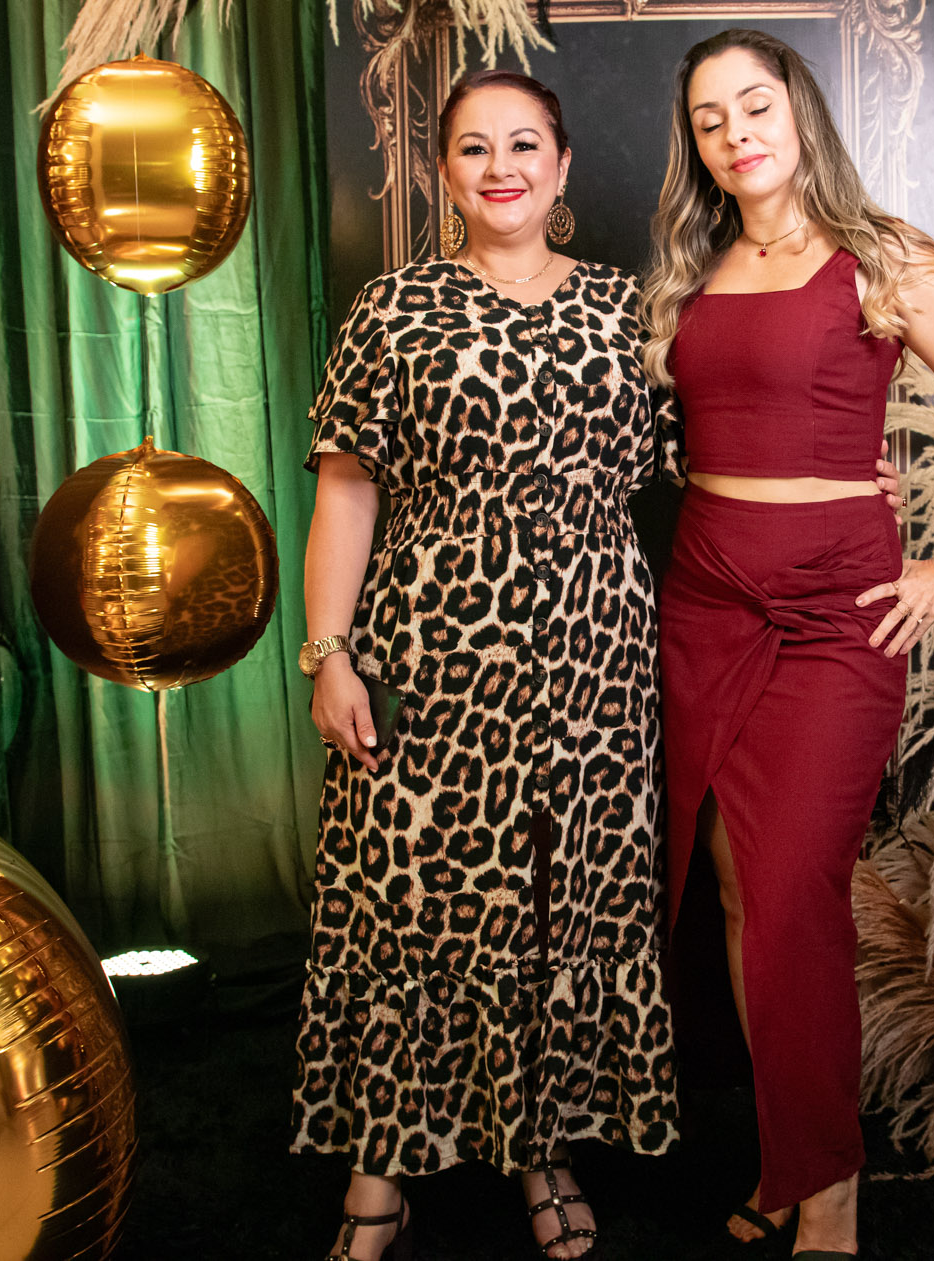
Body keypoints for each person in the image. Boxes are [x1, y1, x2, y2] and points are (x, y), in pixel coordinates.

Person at [642, 28, 934, 1259]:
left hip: (832, 615)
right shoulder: (690, 269)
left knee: (792, 893)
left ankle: (830, 1190)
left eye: (754, 105)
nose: (735, 133)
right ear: (695, 146)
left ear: (798, 110)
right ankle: (789, 1152)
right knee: (732, 893)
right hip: (705, 600)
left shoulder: (883, 257)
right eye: (709, 119)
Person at [291, 69, 679, 1261]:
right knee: (412, 903)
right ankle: (379, 1167)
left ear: (561, 167)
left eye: (522, 145)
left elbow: (711, 458)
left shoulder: (629, 309)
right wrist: (327, 653)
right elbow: (346, 493)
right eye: (473, 147)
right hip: (430, 652)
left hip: (595, 657)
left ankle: (541, 1150)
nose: (499, 167)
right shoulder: (392, 307)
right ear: (442, 172)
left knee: (561, 907)